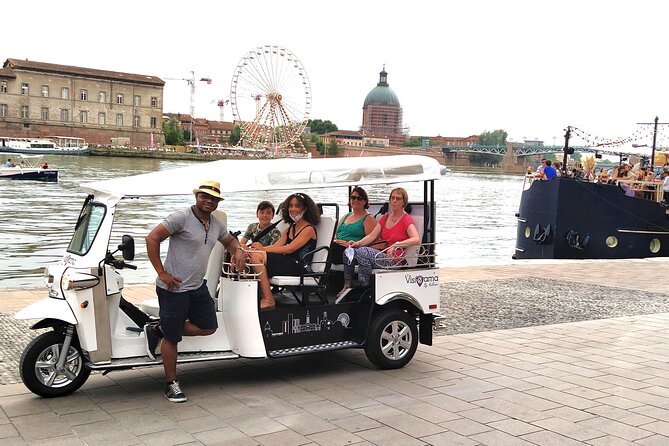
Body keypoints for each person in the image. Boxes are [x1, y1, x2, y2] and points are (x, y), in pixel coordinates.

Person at [144, 180, 246, 403]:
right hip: (174, 288)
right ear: (197, 196)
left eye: (213, 198)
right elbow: (152, 238)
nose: (208, 200)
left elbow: (229, 240)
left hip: (197, 286)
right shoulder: (181, 217)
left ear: (218, 202)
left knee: (209, 326)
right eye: (204, 196)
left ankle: (160, 330)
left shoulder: (216, 223)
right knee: (173, 338)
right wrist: (161, 272)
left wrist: (238, 250)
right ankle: (171, 384)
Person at [245, 193, 320, 309]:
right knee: (250, 255)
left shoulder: (308, 229)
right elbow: (276, 246)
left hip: (300, 267)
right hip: (288, 263)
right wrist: (255, 249)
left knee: (256, 257)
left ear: (305, 209)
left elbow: (290, 249)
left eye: (297, 206)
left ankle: (269, 300)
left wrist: (263, 249)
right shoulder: (290, 228)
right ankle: (255, 296)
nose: (293, 209)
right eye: (290, 206)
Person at [340, 188, 420, 295]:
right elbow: (372, 236)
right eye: (392, 198)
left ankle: (364, 284)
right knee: (348, 252)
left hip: (393, 259)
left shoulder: (406, 219)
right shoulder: (385, 218)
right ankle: (347, 284)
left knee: (363, 252)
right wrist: (357, 243)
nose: (394, 201)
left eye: (398, 198)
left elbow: (416, 239)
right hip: (382, 254)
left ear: (404, 202)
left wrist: (397, 244)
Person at [331, 186, 378, 265]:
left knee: (332, 249)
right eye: (353, 198)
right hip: (338, 247)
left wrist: (349, 244)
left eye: (359, 198)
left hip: (353, 251)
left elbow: (372, 242)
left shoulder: (368, 219)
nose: (356, 200)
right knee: (326, 247)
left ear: (365, 201)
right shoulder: (346, 216)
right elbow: (335, 234)